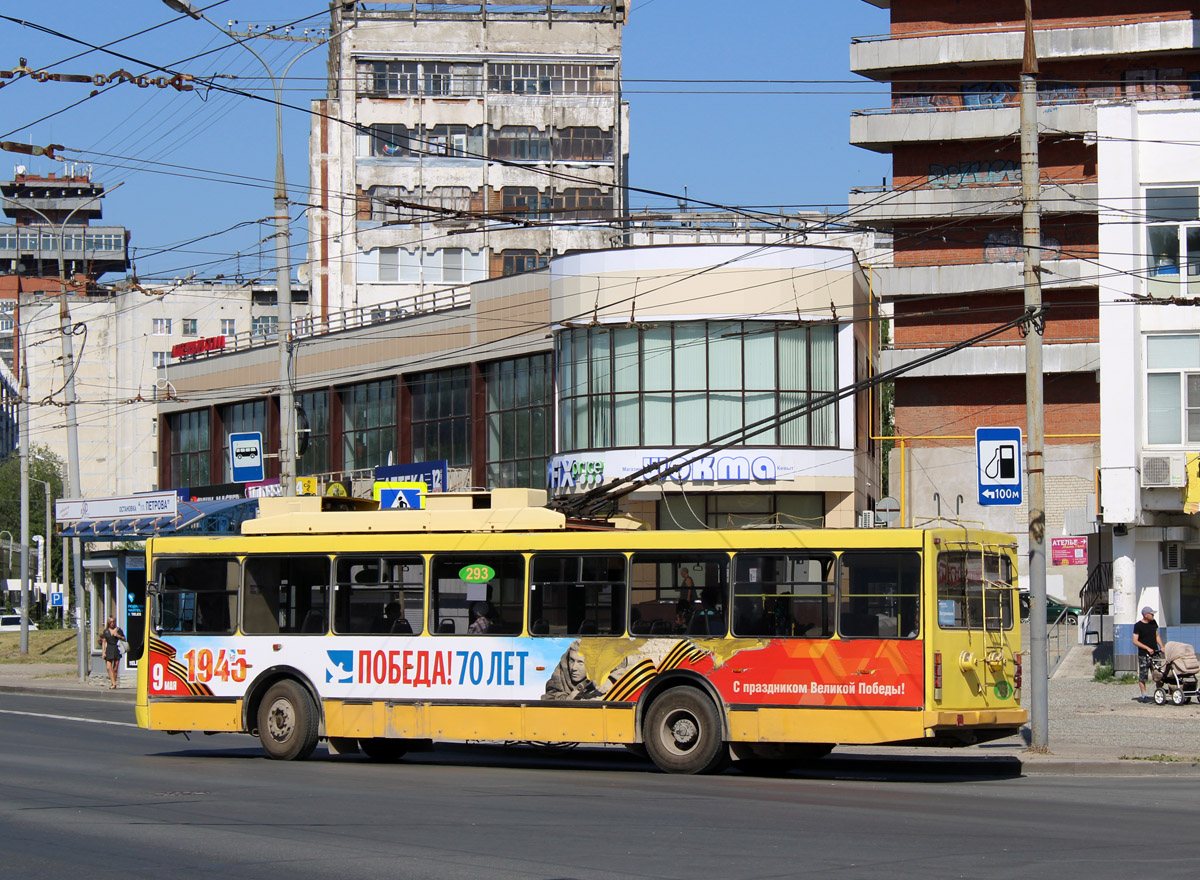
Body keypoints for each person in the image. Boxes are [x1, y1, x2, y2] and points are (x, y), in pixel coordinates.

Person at [1132, 605, 1165, 703]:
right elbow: (1135, 641)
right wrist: (1147, 648)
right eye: (1151, 614)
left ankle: (1159, 693)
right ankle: (1144, 695)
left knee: (1158, 674)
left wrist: (1162, 646)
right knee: (1143, 675)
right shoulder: (1138, 625)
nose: (1153, 615)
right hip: (1144, 654)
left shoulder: (1153, 623)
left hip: (1155, 653)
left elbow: (1156, 635)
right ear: (1146, 615)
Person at [98, 617, 126, 690]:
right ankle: (113, 683)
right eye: (110, 622)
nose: (112, 623)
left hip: (116, 648)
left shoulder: (118, 630)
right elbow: (104, 642)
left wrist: (118, 635)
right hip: (109, 649)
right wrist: (103, 652)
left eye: (113, 622)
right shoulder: (106, 631)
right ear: (108, 623)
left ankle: (114, 683)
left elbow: (124, 639)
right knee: (108, 667)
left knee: (115, 668)